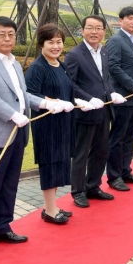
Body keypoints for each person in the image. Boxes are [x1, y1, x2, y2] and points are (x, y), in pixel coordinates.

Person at [0, 17, 71, 258]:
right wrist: (13, 114)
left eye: (11, 34)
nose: (7, 39)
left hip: (17, 134)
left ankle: (1, 227)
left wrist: (45, 103)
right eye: (2, 34)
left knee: (9, 185)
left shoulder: (14, 63)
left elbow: (23, 95)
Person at [65, 15, 126, 209]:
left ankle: (93, 186)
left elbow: (104, 79)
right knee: (82, 153)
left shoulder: (105, 52)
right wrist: (88, 98)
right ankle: (78, 191)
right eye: (90, 28)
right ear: (82, 30)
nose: (94, 32)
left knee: (101, 151)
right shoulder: (75, 54)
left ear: (103, 31)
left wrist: (113, 92)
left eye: (98, 28)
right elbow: (70, 84)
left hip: (104, 110)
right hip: (85, 112)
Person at [25, 24, 79, 225]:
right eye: (51, 42)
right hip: (47, 125)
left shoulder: (61, 64)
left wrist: (77, 102)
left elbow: (69, 90)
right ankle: (49, 210)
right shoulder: (38, 67)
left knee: (61, 164)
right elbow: (30, 94)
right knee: (50, 165)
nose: (56, 46)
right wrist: (51, 102)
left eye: (59, 42)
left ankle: (53, 206)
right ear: (41, 45)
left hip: (64, 124)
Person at [105, 7, 133, 192]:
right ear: (120, 20)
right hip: (124, 97)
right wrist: (132, 85)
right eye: (130, 18)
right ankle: (114, 176)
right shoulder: (116, 40)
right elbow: (113, 66)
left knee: (130, 136)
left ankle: (125, 170)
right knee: (118, 137)